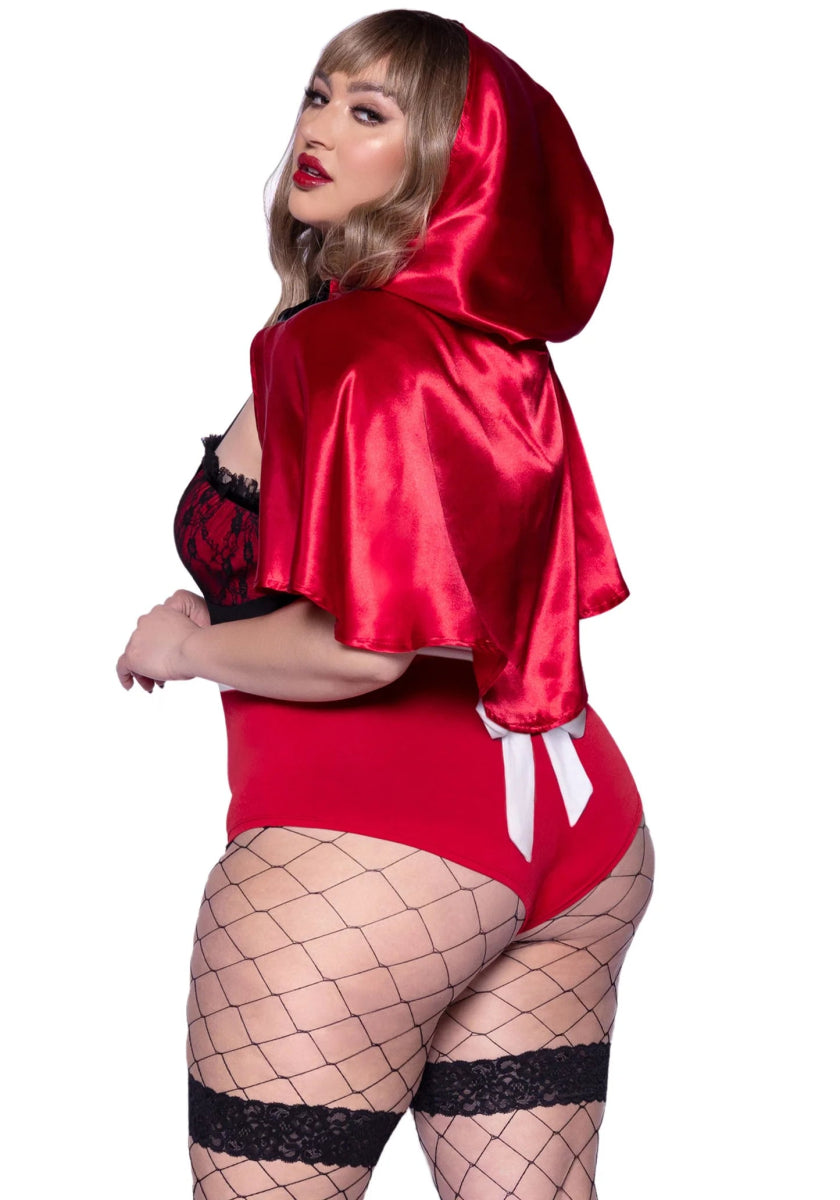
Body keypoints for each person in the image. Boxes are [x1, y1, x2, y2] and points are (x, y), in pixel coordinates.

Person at [117, 11, 654, 1199]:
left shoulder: (345, 347)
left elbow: (365, 652)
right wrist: (225, 607)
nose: (320, 129)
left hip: (371, 841)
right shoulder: (490, 350)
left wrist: (189, 646)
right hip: (574, 820)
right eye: (321, 95)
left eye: (371, 114)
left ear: (449, 165)